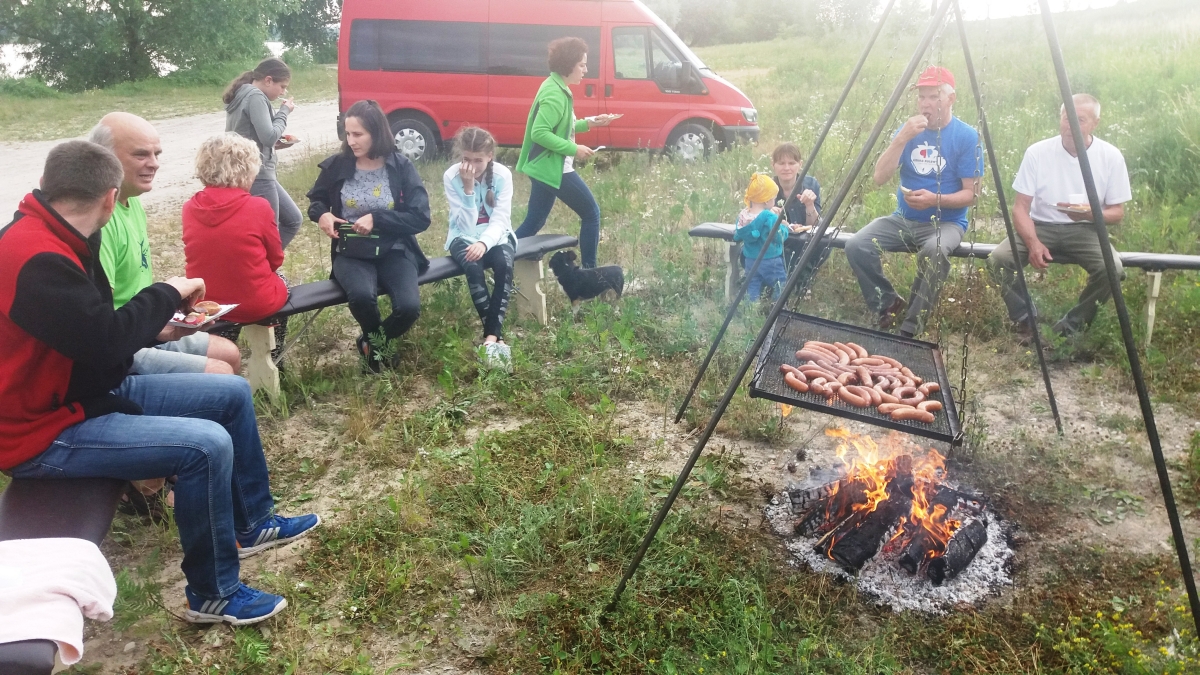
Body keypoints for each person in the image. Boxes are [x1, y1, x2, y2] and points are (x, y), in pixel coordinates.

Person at [0, 140, 319, 625]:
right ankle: (213, 593)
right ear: (111, 198)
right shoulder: (35, 256)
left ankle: (253, 523)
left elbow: (88, 333)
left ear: (46, 183)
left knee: (232, 393)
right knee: (205, 447)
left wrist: (157, 328)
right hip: (41, 431)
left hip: (83, 393)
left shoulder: (56, 233)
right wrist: (168, 292)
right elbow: (104, 339)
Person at [88, 112, 242, 375]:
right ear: (105, 157)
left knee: (229, 352)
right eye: (141, 155)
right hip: (121, 340)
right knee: (219, 372)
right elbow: (104, 319)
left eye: (156, 154)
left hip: (143, 324)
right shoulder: (100, 220)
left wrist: (165, 312)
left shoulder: (131, 201)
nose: (154, 164)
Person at [844, 66, 984, 338]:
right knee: (857, 244)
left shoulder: (967, 137)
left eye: (933, 97)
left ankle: (911, 326)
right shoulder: (908, 132)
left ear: (951, 99)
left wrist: (935, 200)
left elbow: (972, 195)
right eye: (922, 97)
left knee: (934, 251)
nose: (925, 104)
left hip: (947, 222)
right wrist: (901, 138)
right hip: (904, 218)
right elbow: (879, 177)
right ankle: (888, 304)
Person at [988, 94, 1131, 343]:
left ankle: (1070, 327)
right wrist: (1033, 243)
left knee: (1112, 269)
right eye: (1066, 118)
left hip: (1085, 228)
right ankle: (1026, 317)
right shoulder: (1038, 152)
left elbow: (1117, 213)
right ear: (1060, 118)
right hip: (1040, 225)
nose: (1070, 125)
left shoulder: (1110, 156)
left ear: (1095, 123)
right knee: (998, 259)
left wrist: (1088, 213)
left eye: (1080, 119)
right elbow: (1020, 208)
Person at [307, 100, 431, 373]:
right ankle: (377, 355)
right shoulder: (338, 165)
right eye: (347, 134)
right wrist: (322, 215)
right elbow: (316, 201)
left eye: (358, 134)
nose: (351, 141)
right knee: (362, 297)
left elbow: (420, 217)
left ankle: (371, 344)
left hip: (394, 248)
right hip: (350, 251)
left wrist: (378, 218)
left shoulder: (400, 166)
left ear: (376, 133)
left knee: (408, 308)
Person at [513, 37, 618, 269]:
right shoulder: (555, 94)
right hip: (553, 167)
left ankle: (498, 259)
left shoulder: (557, 86)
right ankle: (590, 272)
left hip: (544, 167)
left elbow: (563, 127)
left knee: (533, 221)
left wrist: (591, 122)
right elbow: (540, 133)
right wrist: (574, 148)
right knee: (591, 214)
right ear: (568, 65)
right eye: (582, 65)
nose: (585, 70)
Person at [182, 133, 288, 326]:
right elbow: (276, 259)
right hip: (255, 303)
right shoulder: (258, 207)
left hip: (205, 301)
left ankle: (227, 332)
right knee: (281, 281)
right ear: (247, 171)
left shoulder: (190, 208)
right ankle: (276, 341)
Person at [442, 126, 517, 363]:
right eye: (467, 159)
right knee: (473, 268)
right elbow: (464, 226)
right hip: (463, 236)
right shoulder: (452, 176)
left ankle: (490, 338)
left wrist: (484, 243)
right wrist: (468, 189)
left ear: (490, 156)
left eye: (478, 160)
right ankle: (497, 339)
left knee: (504, 265)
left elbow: (501, 219)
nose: (472, 167)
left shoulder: (503, 176)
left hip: (496, 235)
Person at [224, 57, 302, 249]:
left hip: (248, 170)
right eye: (282, 86)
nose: (283, 92)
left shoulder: (242, 93)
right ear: (268, 80)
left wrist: (276, 144)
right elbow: (268, 137)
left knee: (293, 219)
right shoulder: (256, 96)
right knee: (268, 233)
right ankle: (262, 266)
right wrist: (284, 112)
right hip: (258, 173)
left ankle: (263, 263)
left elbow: (250, 135)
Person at [771, 142, 824, 288]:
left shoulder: (811, 184)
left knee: (825, 243)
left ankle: (804, 280)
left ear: (800, 164)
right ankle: (781, 281)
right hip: (780, 241)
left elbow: (814, 225)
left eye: (791, 163)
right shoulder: (767, 187)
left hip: (805, 239)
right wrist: (769, 215)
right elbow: (754, 218)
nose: (786, 168)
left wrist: (809, 205)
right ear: (773, 165)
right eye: (781, 163)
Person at [733, 174, 788, 301]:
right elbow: (779, 237)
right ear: (766, 201)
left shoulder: (743, 216)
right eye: (774, 198)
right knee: (780, 283)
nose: (775, 201)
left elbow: (738, 235)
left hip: (750, 260)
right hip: (771, 259)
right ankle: (777, 307)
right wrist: (784, 227)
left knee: (752, 285)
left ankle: (751, 308)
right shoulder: (769, 217)